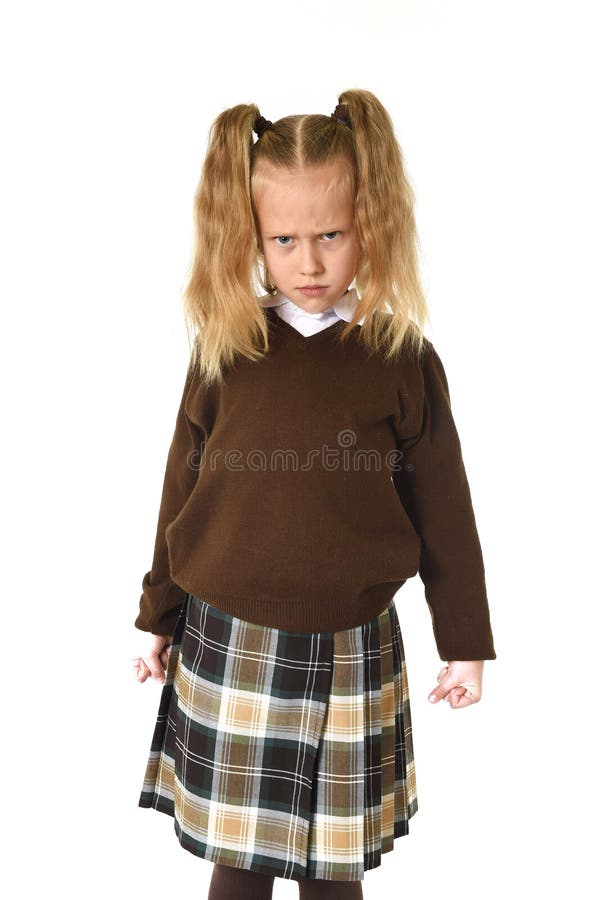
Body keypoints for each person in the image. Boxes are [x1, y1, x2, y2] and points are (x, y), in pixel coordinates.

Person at [131, 89, 497, 900]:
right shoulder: (226, 349)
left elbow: (444, 506)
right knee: (239, 865)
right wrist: (158, 616)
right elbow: (180, 488)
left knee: (336, 868)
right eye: (285, 240)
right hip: (229, 632)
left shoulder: (397, 355)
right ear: (252, 238)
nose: (309, 263)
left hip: (349, 642)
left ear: (370, 222)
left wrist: (463, 639)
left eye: (331, 235)